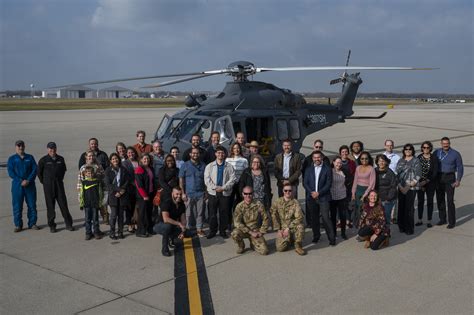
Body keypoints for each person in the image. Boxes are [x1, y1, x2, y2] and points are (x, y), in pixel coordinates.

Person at [37, 142, 74, 233]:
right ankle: (52, 225)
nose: (52, 150)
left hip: (59, 185)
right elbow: (39, 173)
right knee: (50, 207)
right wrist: (45, 182)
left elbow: (63, 170)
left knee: (63, 205)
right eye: (50, 148)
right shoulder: (43, 160)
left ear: (56, 149)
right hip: (48, 187)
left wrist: (58, 180)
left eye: (54, 148)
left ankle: (68, 224)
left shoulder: (60, 159)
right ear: (47, 149)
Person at [303, 151, 335, 246]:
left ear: (322, 158)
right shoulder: (308, 169)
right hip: (311, 197)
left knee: (325, 218)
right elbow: (305, 183)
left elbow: (329, 183)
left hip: (323, 197)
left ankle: (331, 238)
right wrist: (312, 192)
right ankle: (316, 236)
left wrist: (319, 193)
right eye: (315, 157)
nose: (317, 159)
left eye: (319, 157)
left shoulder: (327, 169)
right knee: (314, 219)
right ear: (312, 158)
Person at [7, 140, 40, 232]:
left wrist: (28, 180)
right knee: (17, 206)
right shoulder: (12, 159)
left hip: (30, 185)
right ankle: (18, 225)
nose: (21, 148)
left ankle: (32, 223)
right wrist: (21, 181)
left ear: (24, 147)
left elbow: (35, 169)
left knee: (32, 205)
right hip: (17, 186)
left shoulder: (30, 157)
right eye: (19, 146)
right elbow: (11, 172)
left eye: (22, 146)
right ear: (16, 147)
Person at [205, 146, 236, 239]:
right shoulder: (209, 166)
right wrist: (215, 188)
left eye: (222, 153)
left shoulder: (229, 166)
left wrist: (223, 188)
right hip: (213, 193)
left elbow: (232, 179)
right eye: (218, 153)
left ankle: (222, 230)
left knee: (224, 213)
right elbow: (207, 179)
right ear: (215, 154)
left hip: (224, 193)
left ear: (225, 154)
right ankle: (212, 231)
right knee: (212, 213)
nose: (220, 154)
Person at [434, 137, 464, 229]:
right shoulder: (436, 152)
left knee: (450, 201)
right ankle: (442, 219)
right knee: (440, 199)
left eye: (447, 143)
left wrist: (458, 180)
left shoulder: (455, 154)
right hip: (439, 177)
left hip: (450, 177)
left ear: (449, 144)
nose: (445, 145)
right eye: (444, 143)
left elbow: (460, 167)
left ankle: (452, 222)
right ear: (441, 144)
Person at [231, 186, 269, 255]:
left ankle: (253, 243)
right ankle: (241, 246)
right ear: (242, 194)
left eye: (250, 193)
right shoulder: (239, 206)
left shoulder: (258, 204)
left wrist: (262, 231)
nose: (248, 195)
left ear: (253, 194)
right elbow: (237, 222)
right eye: (246, 193)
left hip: (255, 231)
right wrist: (250, 232)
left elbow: (265, 218)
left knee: (264, 251)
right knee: (235, 233)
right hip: (244, 230)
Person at [271, 183, 306, 255]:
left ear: (292, 191)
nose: (288, 192)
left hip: (292, 227)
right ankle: (289, 239)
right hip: (282, 228)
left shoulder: (295, 202)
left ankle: (298, 245)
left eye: (289, 190)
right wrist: (278, 230)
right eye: (286, 190)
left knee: (300, 226)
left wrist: (288, 228)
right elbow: (273, 216)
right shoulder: (277, 202)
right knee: (280, 248)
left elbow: (299, 217)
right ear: (283, 191)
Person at [179, 147, 206, 237]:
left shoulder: (203, 165)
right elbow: (181, 180)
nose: (195, 155)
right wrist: (182, 193)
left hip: (200, 193)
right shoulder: (185, 165)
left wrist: (206, 192)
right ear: (190, 154)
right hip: (189, 193)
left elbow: (206, 180)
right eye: (193, 153)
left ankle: (199, 229)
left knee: (200, 213)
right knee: (188, 213)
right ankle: (187, 229)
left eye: (197, 153)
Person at [396, 144, 421, 235]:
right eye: (406, 149)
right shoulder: (401, 160)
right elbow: (397, 174)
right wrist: (400, 186)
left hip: (411, 187)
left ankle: (409, 228)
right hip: (401, 187)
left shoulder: (416, 160)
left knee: (409, 208)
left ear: (412, 151)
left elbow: (418, 174)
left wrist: (408, 186)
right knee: (401, 207)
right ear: (404, 151)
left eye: (410, 149)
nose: (408, 151)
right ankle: (401, 226)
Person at [154, 187, 187, 257]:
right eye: (176, 194)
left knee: (188, 232)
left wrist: (183, 231)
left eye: (180, 194)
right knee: (167, 227)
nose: (178, 196)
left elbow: (183, 219)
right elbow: (166, 219)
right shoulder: (167, 203)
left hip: (172, 225)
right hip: (160, 225)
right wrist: (179, 223)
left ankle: (172, 239)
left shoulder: (182, 204)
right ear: (172, 194)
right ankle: (164, 249)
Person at [105, 153, 130, 240]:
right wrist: (118, 190)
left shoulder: (123, 169)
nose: (115, 160)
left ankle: (120, 232)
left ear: (119, 159)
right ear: (110, 161)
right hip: (113, 195)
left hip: (122, 195)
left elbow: (127, 181)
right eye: (113, 159)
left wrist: (122, 190)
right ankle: (112, 232)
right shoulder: (108, 170)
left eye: (116, 159)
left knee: (121, 215)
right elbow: (108, 184)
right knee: (113, 215)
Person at [239, 154, 272, 219]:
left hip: (262, 198)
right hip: (250, 198)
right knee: (250, 217)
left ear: (260, 163)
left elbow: (268, 185)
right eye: (254, 162)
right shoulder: (246, 171)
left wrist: (269, 196)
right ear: (251, 163)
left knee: (260, 217)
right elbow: (241, 185)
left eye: (257, 162)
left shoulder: (264, 171)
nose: (256, 163)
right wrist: (243, 195)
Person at [78, 150, 107, 224]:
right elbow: (80, 182)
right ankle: (89, 231)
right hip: (87, 194)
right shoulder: (83, 168)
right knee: (88, 213)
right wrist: (80, 197)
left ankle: (96, 230)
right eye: (89, 156)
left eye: (92, 155)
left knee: (95, 214)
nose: (91, 157)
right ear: (86, 157)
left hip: (96, 193)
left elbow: (104, 178)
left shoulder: (98, 166)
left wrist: (104, 191)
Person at [416, 141, 439, 228]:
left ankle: (429, 220)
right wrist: (419, 182)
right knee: (420, 201)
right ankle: (420, 219)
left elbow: (435, 172)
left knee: (430, 201)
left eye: (427, 147)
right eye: (424, 147)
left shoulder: (434, 158)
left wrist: (427, 180)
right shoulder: (419, 157)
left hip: (430, 183)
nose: (425, 149)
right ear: (422, 148)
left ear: (430, 148)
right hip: (420, 183)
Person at [226, 142, 249, 225]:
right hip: (231, 184)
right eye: (235, 148)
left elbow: (246, 173)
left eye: (238, 148)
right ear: (232, 149)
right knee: (229, 203)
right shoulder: (227, 160)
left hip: (240, 184)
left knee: (239, 204)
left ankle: (239, 222)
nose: (236, 150)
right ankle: (228, 223)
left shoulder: (244, 160)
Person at [351, 151, 376, 227]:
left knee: (365, 210)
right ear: (360, 159)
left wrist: (365, 195)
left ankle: (365, 226)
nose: (364, 160)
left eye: (366, 158)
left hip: (366, 191)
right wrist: (353, 193)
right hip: (358, 190)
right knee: (357, 209)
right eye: (362, 159)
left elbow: (372, 184)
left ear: (369, 159)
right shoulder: (358, 168)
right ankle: (358, 225)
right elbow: (355, 181)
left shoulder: (371, 169)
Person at [80, 166, 103, 240]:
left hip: (95, 204)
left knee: (95, 219)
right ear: (85, 174)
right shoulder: (83, 182)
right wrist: (81, 204)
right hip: (87, 204)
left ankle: (96, 232)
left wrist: (100, 203)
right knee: (87, 219)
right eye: (88, 173)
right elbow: (81, 194)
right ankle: (88, 233)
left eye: (91, 173)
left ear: (94, 173)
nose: (90, 174)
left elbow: (100, 193)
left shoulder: (97, 181)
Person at [134, 153, 155, 237]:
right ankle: (140, 231)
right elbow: (139, 185)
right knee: (142, 214)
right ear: (141, 160)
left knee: (149, 212)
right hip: (143, 196)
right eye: (144, 159)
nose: (146, 160)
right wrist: (144, 196)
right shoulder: (139, 170)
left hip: (150, 193)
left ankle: (149, 229)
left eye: (148, 159)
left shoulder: (150, 168)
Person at [374, 154, 398, 225]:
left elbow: (393, 187)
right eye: (379, 161)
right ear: (377, 162)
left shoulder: (390, 173)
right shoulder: (374, 171)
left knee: (386, 217)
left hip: (387, 199)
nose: (381, 163)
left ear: (386, 162)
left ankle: (386, 233)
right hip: (377, 199)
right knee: (377, 217)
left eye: (383, 161)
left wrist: (388, 198)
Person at [330, 157, 349, 240]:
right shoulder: (330, 171)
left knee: (343, 216)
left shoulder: (344, 171)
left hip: (342, 196)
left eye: (340, 163)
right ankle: (334, 233)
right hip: (332, 196)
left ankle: (343, 233)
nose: (339, 164)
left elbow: (349, 180)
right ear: (333, 162)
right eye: (337, 162)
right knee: (333, 216)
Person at [122, 146, 140, 232]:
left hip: (138, 188)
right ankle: (129, 224)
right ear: (126, 154)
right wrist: (132, 182)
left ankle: (135, 222)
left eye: (132, 152)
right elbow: (124, 176)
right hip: (129, 188)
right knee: (129, 207)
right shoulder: (124, 163)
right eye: (129, 153)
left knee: (136, 207)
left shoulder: (138, 162)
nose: (131, 154)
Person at [339, 145, 356, 228]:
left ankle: (349, 219)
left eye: (346, 152)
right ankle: (345, 220)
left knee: (350, 204)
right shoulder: (337, 162)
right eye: (343, 152)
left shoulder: (352, 163)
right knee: (342, 204)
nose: (344, 153)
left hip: (350, 186)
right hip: (340, 187)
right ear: (340, 153)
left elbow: (355, 174)